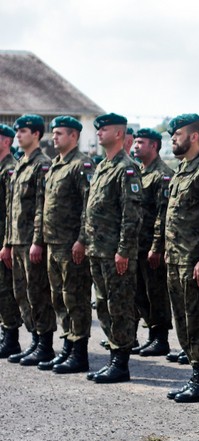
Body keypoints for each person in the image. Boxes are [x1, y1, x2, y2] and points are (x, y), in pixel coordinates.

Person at [159, 114, 199, 402]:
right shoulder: (182, 169)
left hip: (194, 260)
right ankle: (195, 374)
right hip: (175, 258)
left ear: (194, 136)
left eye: (178, 133)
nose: (173, 138)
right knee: (183, 320)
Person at [83, 113, 143, 384]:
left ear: (118, 134)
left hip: (115, 251)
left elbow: (131, 214)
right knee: (104, 305)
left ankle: (120, 362)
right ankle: (113, 356)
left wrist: (124, 250)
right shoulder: (103, 167)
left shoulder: (126, 168)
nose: (98, 133)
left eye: (103, 129)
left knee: (119, 306)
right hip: (97, 249)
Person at [31, 116, 94, 373]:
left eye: (59, 133)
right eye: (53, 133)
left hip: (71, 245)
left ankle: (79, 353)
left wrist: (81, 240)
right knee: (59, 299)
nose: (53, 137)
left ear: (73, 137)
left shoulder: (81, 164)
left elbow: (88, 207)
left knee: (75, 298)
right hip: (52, 244)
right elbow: (43, 206)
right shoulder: (55, 165)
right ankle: (67, 346)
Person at [4, 114, 57, 365]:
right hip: (16, 240)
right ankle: (34, 340)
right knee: (22, 293)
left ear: (36, 134)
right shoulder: (21, 165)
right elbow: (10, 210)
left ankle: (44, 345)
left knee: (38, 293)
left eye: (23, 131)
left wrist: (38, 240)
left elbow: (40, 206)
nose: (18, 135)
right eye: (17, 132)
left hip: (31, 241)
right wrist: (7, 242)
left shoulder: (41, 165)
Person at [130, 128, 173, 358]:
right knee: (140, 293)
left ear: (154, 146)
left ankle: (160, 339)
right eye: (135, 142)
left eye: (141, 142)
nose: (136, 146)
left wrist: (157, 246)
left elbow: (162, 214)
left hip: (150, 246)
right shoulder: (138, 172)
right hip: (136, 244)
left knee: (156, 292)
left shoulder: (162, 175)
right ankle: (150, 335)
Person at [0, 124, 23, 358]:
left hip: (4, 237)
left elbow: (11, 211)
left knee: (6, 289)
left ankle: (11, 338)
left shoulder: (10, 169)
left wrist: (7, 243)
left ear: (6, 142)